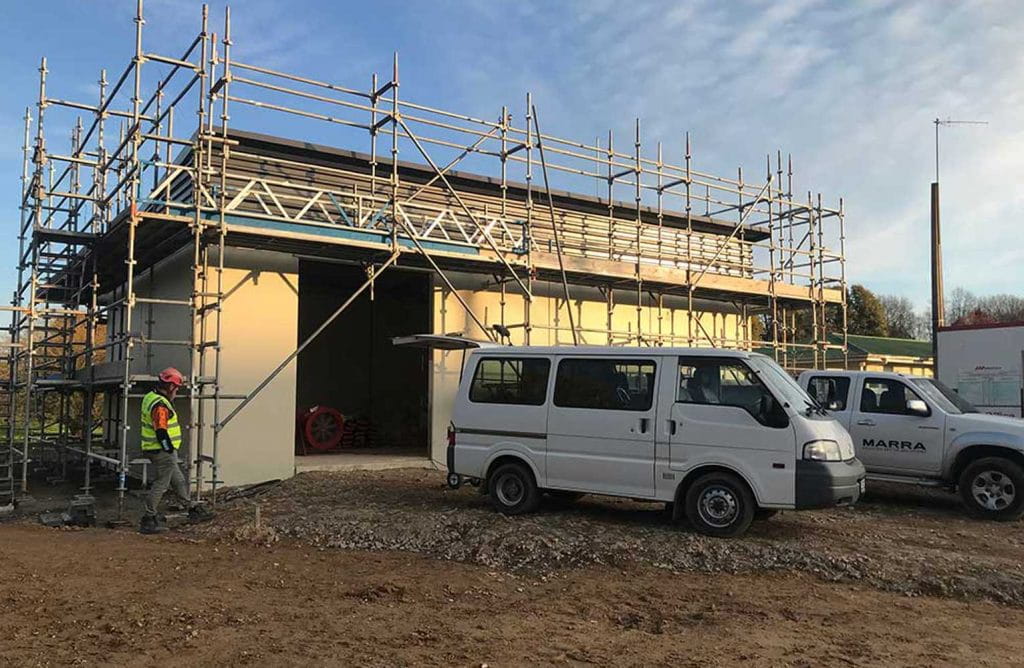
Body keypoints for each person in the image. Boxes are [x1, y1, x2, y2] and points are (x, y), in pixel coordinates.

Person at [139, 367, 213, 534]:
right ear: (170, 386)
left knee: (178, 480)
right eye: (177, 387)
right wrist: (168, 449)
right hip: (161, 451)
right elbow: (161, 430)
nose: (177, 391)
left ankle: (190, 508)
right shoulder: (160, 405)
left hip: (157, 450)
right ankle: (148, 519)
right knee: (162, 484)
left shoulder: (151, 397)